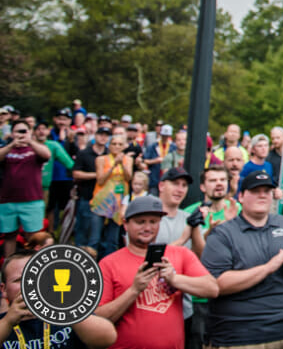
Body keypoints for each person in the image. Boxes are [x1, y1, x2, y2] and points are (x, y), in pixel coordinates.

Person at [200, 170, 283, 349]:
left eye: (267, 191)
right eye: (255, 191)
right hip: (240, 336)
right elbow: (215, 284)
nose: (262, 195)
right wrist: (268, 267)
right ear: (241, 196)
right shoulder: (223, 233)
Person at [96, 196, 219, 349]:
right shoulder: (109, 263)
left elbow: (212, 289)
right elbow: (99, 319)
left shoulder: (180, 254)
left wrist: (174, 279)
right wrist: (134, 290)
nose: (147, 228)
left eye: (153, 222)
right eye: (140, 222)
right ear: (126, 224)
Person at [1, 250, 117, 348]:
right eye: (19, 280)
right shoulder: (3, 322)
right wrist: (8, 322)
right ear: (3, 289)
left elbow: (108, 338)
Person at [181, 166, 238, 349]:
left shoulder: (239, 210)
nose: (219, 184)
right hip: (200, 297)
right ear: (203, 187)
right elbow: (191, 255)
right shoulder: (191, 212)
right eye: (213, 180)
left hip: (231, 293)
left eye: (222, 179)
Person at [0, 119, 51, 256]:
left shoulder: (35, 149)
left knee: (34, 237)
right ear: (12, 133)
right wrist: (12, 144)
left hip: (32, 200)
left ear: (30, 132)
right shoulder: (6, 149)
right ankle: (8, 268)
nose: (21, 134)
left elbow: (47, 154)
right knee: (9, 236)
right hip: (8, 201)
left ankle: (35, 267)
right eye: (18, 131)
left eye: (24, 131)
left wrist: (30, 141)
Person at [92, 132, 134, 258]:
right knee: (95, 238)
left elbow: (128, 178)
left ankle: (107, 266)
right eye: (114, 144)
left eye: (120, 144)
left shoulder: (128, 160)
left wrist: (121, 164)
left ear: (124, 146)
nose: (117, 146)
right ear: (109, 146)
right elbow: (100, 180)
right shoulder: (101, 159)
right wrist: (113, 165)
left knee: (113, 240)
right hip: (101, 201)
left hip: (118, 203)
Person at [72, 125, 110, 251]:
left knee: (100, 236)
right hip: (87, 197)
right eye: (101, 134)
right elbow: (76, 173)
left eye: (106, 135)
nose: (103, 137)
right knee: (83, 231)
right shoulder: (84, 153)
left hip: (106, 200)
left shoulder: (110, 154)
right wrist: (97, 175)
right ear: (95, 136)